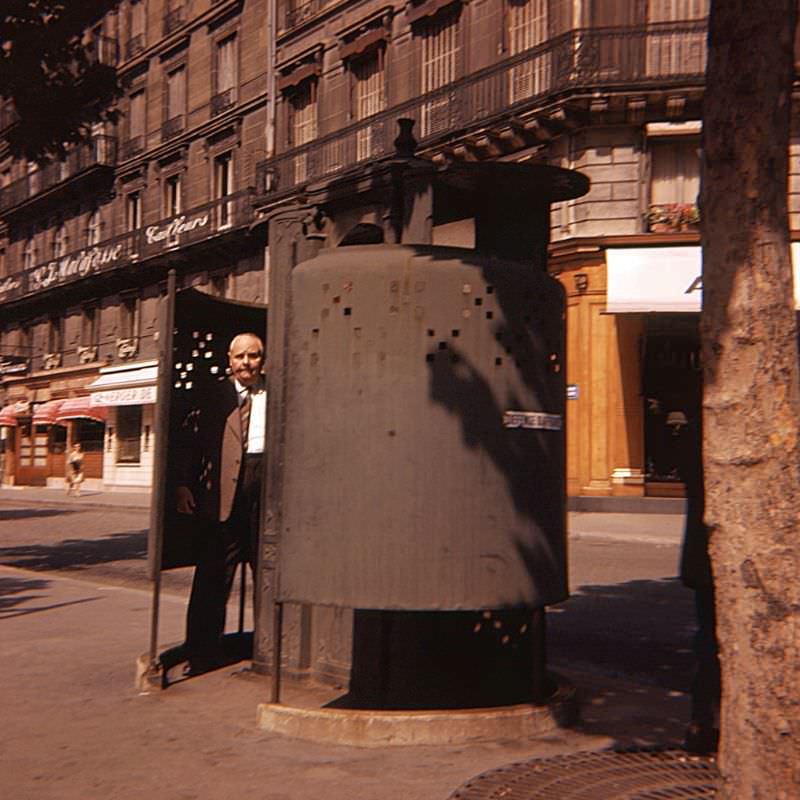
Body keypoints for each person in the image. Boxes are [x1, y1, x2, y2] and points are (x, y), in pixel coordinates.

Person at [175, 332, 266, 672]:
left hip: (264, 491)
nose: (247, 363)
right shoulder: (215, 396)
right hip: (223, 496)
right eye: (240, 356)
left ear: (263, 359)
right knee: (213, 576)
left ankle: (267, 649)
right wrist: (183, 485)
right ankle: (201, 653)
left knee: (268, 575)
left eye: (254, 356)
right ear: (229, 359)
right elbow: (190, 442)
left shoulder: (273, 393)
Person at [679, 409, 721, 754]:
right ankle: (704, 721)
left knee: (709, 641)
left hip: (704, 558)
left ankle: (701, 723)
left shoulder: (699, 428)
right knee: (711, 641)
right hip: (718, 556)